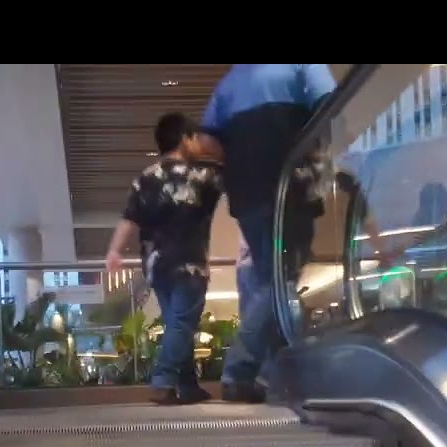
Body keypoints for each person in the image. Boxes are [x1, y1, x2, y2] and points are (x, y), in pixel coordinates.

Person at [198, 64, 338, 403]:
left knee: (268, 277)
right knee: (279, 279)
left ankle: (278, 376)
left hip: (247, 195)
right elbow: (330, 103)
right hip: (289, 186)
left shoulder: (229, 82)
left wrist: (241, 159)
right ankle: (240, 370)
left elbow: (206, 140)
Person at [104, 112, 224, 405]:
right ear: (185, 138)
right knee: (183, 322)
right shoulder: (203, 175)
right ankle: (163, 379)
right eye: (194, 137)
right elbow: (237, 181)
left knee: (175, 322)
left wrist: (114, 251)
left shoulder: (146, 177)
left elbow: (128, 218)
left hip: (156, 266)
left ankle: (186, 385)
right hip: (189, 262)